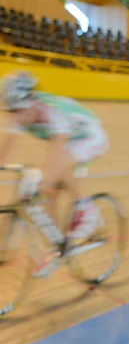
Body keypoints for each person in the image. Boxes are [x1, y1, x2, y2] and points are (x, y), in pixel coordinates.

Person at [0, 71, 108, 240]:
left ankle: (87, 209)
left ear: (30, 103)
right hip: (68, 141)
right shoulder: (21, 113)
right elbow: (5, 146)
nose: (13, 117)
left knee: (58, 172)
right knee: (49, 193)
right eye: (10, 111)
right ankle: (59, 242)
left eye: (17, 111)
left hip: (90, 137)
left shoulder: (54, 113)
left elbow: (58, 149)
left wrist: (47, 181)